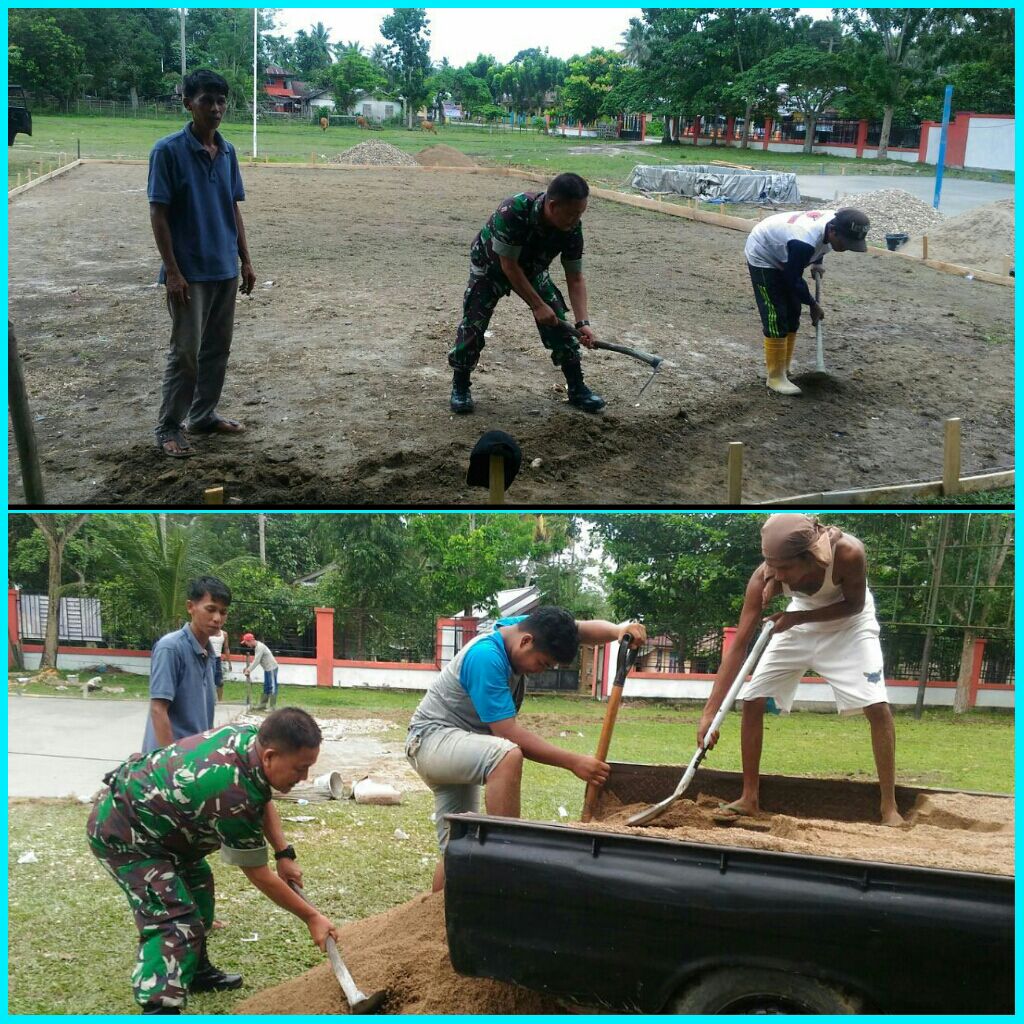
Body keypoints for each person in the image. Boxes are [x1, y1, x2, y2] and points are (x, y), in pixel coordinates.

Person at [88, 707, 338, 1014]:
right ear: (271, 756)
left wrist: (284, 853)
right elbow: (259, 875)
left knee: (199, 888)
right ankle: (158, 1008)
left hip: (168, 831)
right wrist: (312, 917)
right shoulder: (231, 794)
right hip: (126, 835)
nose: (305, 778)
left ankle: (195, 971)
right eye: (300, 769)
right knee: (173, 917)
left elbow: (262, 796)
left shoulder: (249, 741)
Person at [406, 606, 647, 890]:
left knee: (459, 846)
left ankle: (436, 920)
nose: (541, 671)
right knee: (506, 755)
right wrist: (573, 761)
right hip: (430, 741)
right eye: (543, 664)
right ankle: (507, 866)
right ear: (526, 642)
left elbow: (579, 630)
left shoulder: (524, 629)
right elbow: (509, 734)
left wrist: (618, 630)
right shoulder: (487, 658)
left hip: (457, 744)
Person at [698, 513, 903, 827]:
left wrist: (796, 619)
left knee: (877, 706)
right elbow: (739, 644)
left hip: (850, 627)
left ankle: (889, 807)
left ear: (810, 557)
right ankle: (749, 797)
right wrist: (709, 712)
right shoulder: (765, 576)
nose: (777, 576)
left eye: (785, 569)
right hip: (795, 623)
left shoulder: (849, 553)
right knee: (752, 698)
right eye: (772, 567)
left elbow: (854, 605)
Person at [148, 68, 256, 458]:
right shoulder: (168, 151)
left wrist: (245, 260)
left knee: (216, 350)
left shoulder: (227, 153)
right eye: (207, 100)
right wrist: (173, 272)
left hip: (225, 269)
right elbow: (158, 214)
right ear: (187, 103)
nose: (215, 109)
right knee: (186, 353)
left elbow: (232, 207)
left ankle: (204, 414)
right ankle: (168, 426)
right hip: (189, 274)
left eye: (221, 101)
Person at [448, 172, 606, 415]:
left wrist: (582, 322)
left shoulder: (572, 227)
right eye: (573, 213)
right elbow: (508, 266)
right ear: (552, 206)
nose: (577, 220)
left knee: (558, 321)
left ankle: (576, 387)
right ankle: (460, 385)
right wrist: (537, 305)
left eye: (581, 214)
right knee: (474, 323)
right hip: (490, 267)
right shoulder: (513, 211)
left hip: (532, 270)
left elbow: (575, 277)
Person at [743, 207, 870, 395]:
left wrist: (818, 261)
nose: (845, 248)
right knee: (775, 313)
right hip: (765, 254)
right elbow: (792, 278)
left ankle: (784, 367)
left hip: (790, 251)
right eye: (844, 243)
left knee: (793, 311)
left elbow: (821, 245)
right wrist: (812, 304)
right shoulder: (805, 240)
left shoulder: (836, 221)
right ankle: (775, 377)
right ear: (833, 231)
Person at [142, 576, 231, 754]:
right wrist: (172, 763)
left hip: (194, 758)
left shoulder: (209, 654)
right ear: (191, 607)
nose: (217, 618)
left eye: (223, 612)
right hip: (169, 764)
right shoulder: (171, 648)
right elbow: (158, 709)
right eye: (211, 609)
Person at [240, 632, 279, 711]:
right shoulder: (257, 647)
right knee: (266, 687)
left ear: (250, 640)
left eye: (246, 643)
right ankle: (262, 705)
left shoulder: (260, 647)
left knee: (272, 687)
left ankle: (272, 707)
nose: (246, 645)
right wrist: (248, 668)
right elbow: (256, 660)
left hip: (271, 668)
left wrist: (248, 670)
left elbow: (257, 660)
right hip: (267, 669)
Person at [209, 627, 231, 702]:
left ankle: (220, 700)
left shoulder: (224, 634)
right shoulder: (208, 632)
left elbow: (226, 648)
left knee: (220, 682)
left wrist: (229, 662)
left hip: (218, 658)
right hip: (209, 658)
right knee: (209, 680)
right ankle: (209, 700)